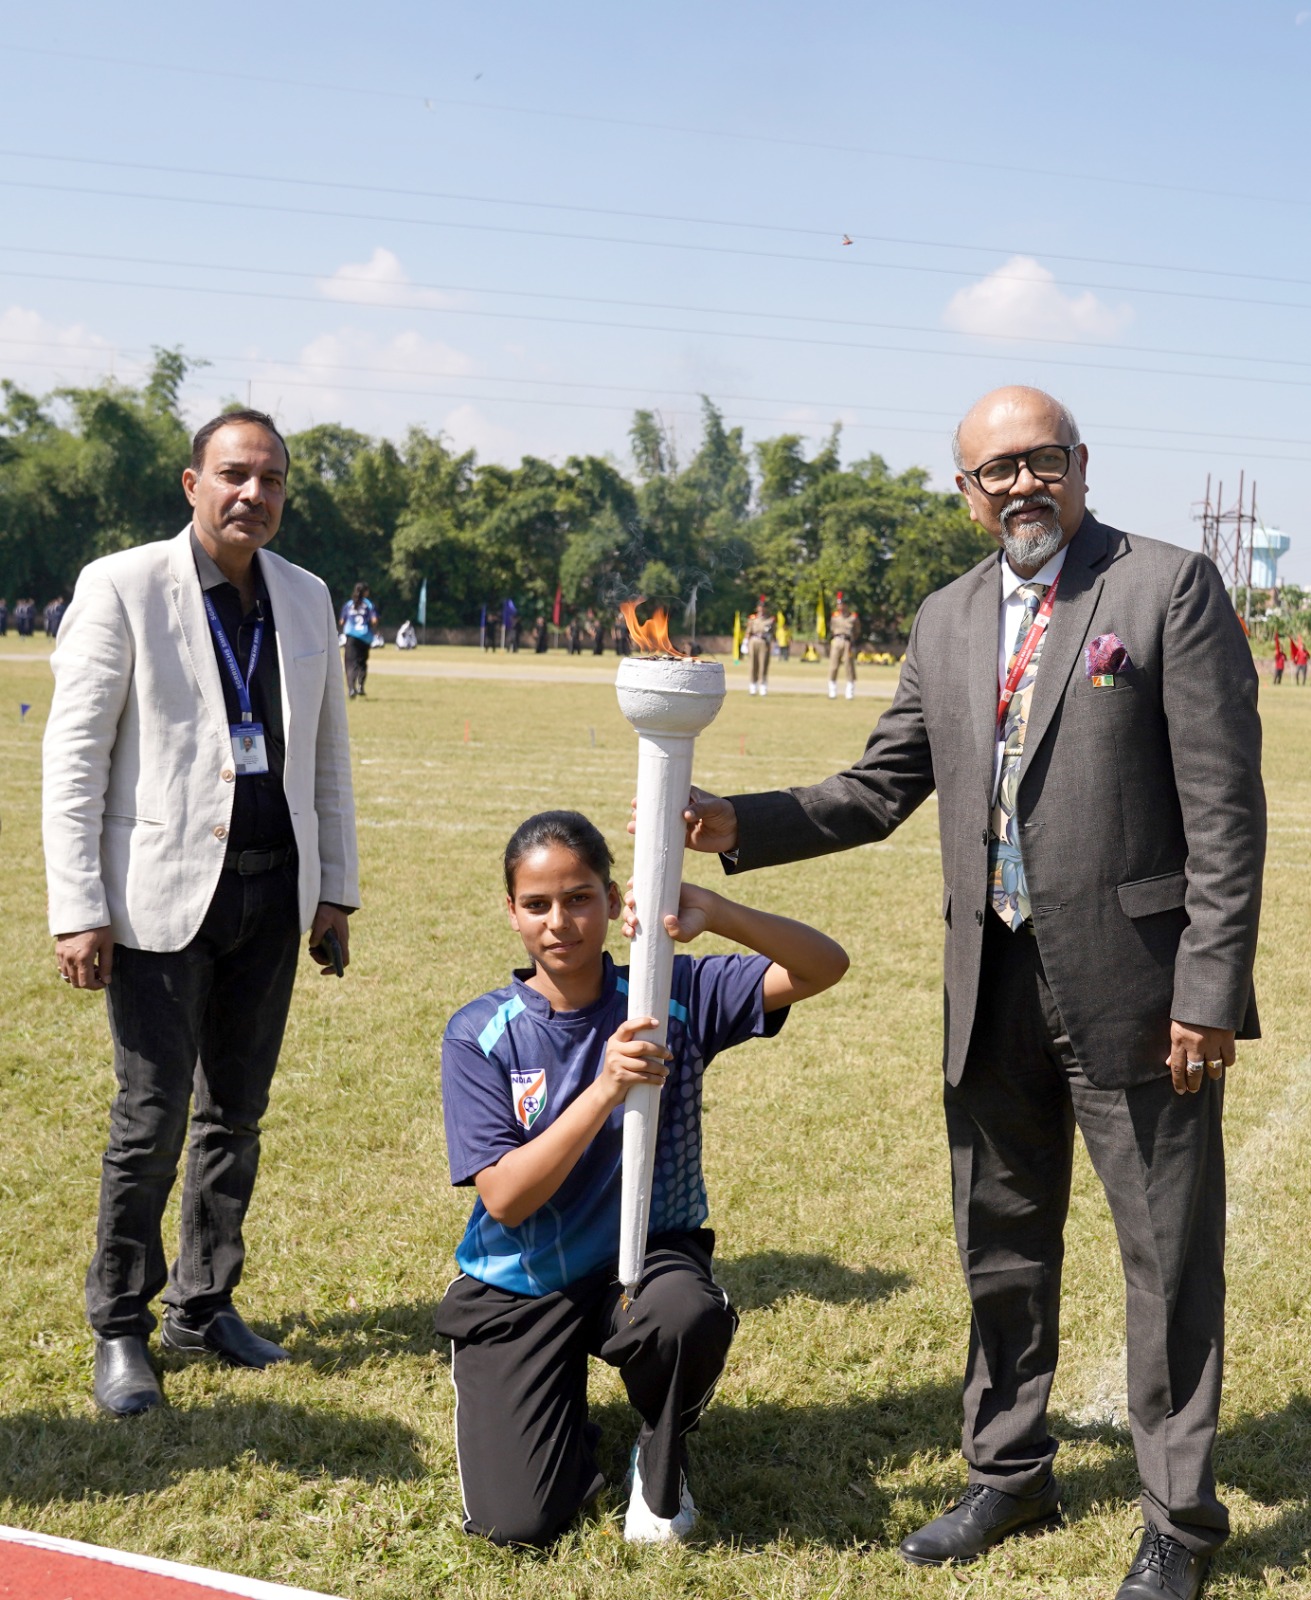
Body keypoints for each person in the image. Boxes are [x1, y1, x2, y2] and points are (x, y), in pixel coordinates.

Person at [673, 387, 1264, 1600]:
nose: (1022, 482)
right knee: (998, 1240)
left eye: (1042, 458)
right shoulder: (947, 617)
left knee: (1167, 1262)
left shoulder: (1166, 587)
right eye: (997, 468)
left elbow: (1224, 812)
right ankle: (1009, 1469)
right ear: (966, 492)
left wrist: (1207, 987)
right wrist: (741, 823)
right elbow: (879, 785)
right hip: (988, 983)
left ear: (1082, 465)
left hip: (1139, 994)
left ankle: (1179, 1522)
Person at [43, 409, 359, 1418]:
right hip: (158, 900)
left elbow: (326, 754)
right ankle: (119, 1326)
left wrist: (334, 888)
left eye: (270, 480)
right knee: (150, 1120)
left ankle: (203, 1303)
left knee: (236, 1115)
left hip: (273, 891)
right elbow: (75, 759)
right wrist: (78, 906)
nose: (252, 494)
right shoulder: (121, 585)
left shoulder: (306, 596)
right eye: (233, 474)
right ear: (193, 484)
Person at [434, 809, 847, 1548]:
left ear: (610, 897)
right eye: (537, 904)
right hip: (523, 1279)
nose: (559, 922)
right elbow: (506, 1197)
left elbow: (824, 965)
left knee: (685, 1315)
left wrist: (713, 909)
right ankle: (557, 1420)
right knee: (517, 1523)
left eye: (578, 898)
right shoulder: (480, 1033)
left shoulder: (667, 996)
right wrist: (604, 1089)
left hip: (644, 1262)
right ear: (511, 912)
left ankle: (660, 1456)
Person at [339, 582, 378, 698]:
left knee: (350, 663)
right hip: (364, 637)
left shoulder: (349, 604)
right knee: (362, 662)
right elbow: (374, 620)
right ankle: (361, 686)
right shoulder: (368, 604)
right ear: (365, 592)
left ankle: (351, 688)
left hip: (351, 636)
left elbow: (342, 621)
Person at [827, 594, 858, 700]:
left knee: (849, 666)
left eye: (841, 604)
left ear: (846, 605)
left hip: (847, 642)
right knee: (833, 666)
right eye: (838, 604)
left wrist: (852, 639)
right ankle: (832, 691)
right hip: (836, 641)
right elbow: (832, 628)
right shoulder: (835, 616)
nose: (839, 606)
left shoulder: (853, 617)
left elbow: (857, 630)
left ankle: (850, 692)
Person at [744, 596, 774, 696]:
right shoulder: (753, 619)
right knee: (753, 664)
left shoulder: (770, 619)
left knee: (763, 664)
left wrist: (774, 644)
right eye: (760, 607)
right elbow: (748, 632)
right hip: (754, 641)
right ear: (757, 608)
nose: (761, 609)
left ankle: (762, 686)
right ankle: (753, 686)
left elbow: (773, 633)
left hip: (764, 642)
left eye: (763, 607)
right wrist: (745, 642)